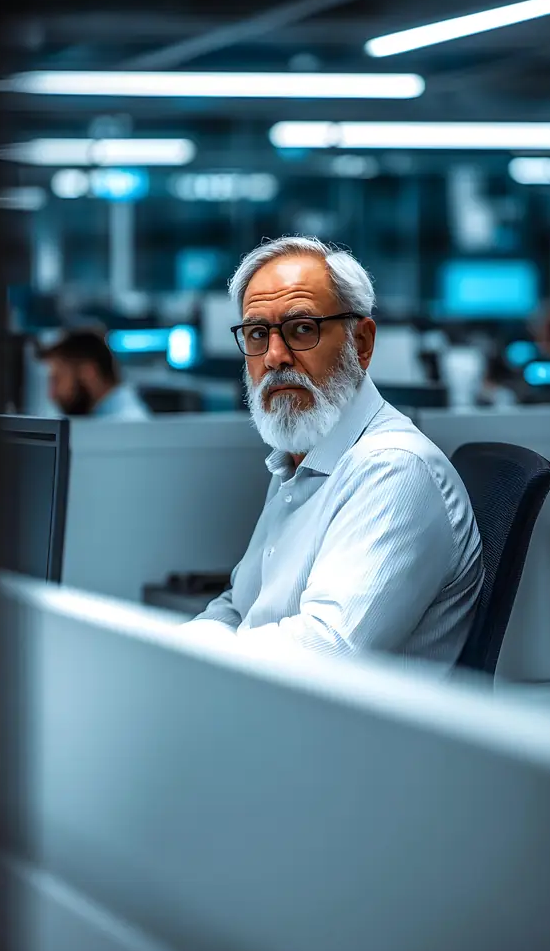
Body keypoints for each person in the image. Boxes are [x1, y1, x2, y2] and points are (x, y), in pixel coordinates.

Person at [185, 236, 483, 666]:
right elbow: (239, 605)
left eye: (301, 329)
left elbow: (328, 651)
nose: (274, 356)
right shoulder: (300, 455)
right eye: (256, 333)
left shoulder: (393, 470)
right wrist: (169, 654)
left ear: (360, 343)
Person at [36, 329, 151, 419]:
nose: (53, 394)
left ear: (88, 372)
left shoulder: (123, 424)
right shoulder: (105, 423)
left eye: (57, 380)